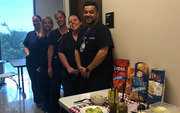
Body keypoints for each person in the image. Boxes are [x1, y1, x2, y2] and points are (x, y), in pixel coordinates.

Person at [75, 1, 114, 93]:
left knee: (97, 105)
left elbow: (103, 53)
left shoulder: (102, 29)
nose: (88, 15)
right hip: (84, 75)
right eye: (85, 12)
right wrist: (79, 67)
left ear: (97, 14)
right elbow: (76, 50)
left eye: (91, 12)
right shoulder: (82, 31)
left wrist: (88, 69)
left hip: (98, 77)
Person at [47, 11, 69, 113]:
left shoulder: (71, 31)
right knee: (54, 90)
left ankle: (66, 110)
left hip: (69, 65)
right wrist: (49, 66)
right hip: (56, 65)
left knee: (68, 89)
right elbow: (50, 50)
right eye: (57, 18)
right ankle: (54, 110)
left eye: (61, 17)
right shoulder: (53, 33)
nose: (59, 20)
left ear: (65, 18)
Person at [58, 14, 82, 97]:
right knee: (69, 99)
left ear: (81, 22)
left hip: (83, 74)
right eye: (70, 22)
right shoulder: (65, 37)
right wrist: (68, 67)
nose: (72, 23)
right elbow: (60, 52)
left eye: (75, 20)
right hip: (68, 74)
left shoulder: (86, 35)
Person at [23, 15, 44, 108]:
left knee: (42, 81)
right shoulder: (30, 34)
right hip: (31, 62)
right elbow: (25, 46)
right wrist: (28, 55)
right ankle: (38, 101)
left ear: (41, 21)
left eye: (37, 21)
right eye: (33, 21)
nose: (35, 23)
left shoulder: (45, 33)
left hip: (42, 63)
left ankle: (45, 100)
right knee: (34, 82)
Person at [35, 16, 54, 113]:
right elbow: (37, 53)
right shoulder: (40, 37)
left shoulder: (54, 35)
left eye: (49, 22)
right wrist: (37, 65)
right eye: (45, 22)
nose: (47, 24)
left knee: (52, 89)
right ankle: (46, 108)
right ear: (43, 24)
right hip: (42, 66)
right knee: (43, 88)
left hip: (53, 65)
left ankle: (53, 108)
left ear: (52, 24)